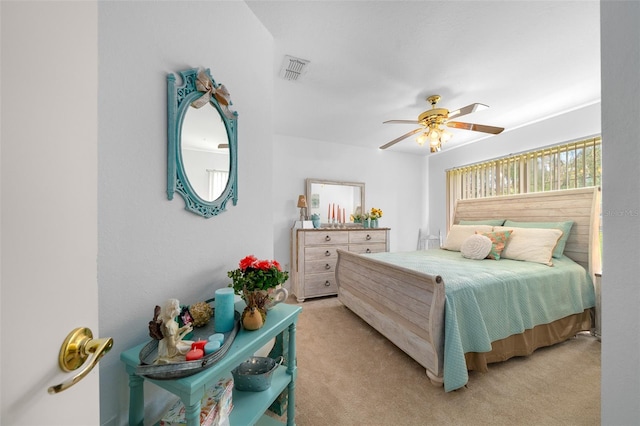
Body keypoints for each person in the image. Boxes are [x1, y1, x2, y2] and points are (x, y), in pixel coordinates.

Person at [155, 298, 193, 364]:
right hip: (171, 351)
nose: (180, 309)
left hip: (174, 344)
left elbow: (174, 334)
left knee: (193, 343)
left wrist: (183, 328)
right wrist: (184, 333)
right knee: (191, 348)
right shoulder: (169, 326)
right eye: (177, 307)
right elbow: (172, 346)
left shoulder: (171, 321)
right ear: (172, 310)